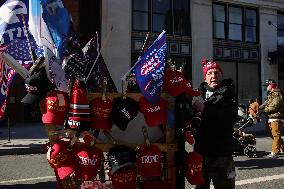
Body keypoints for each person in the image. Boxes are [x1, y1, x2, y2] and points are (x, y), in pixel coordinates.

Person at [192, 58, 238, 189]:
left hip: (222, 154)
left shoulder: (229, 94)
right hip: (201, 152)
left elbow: (229, 117)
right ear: (205, 77)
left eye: (216, 72)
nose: (213, 76)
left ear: (221, 75)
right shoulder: (198, 93)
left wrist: (205, 109)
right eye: (210, 73)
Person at [258, 79, 284, 158]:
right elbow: (265, 104)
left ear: (272, 85)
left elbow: (274, 106)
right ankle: (281, 147)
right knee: (271, 133)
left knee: (276, 135)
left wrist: (263, 111)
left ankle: (275, 152)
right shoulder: (271, 94)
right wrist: (257, 108)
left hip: (276, 117)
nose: (266, 87)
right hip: (270, 116)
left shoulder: (277, 94)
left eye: (267, 85)